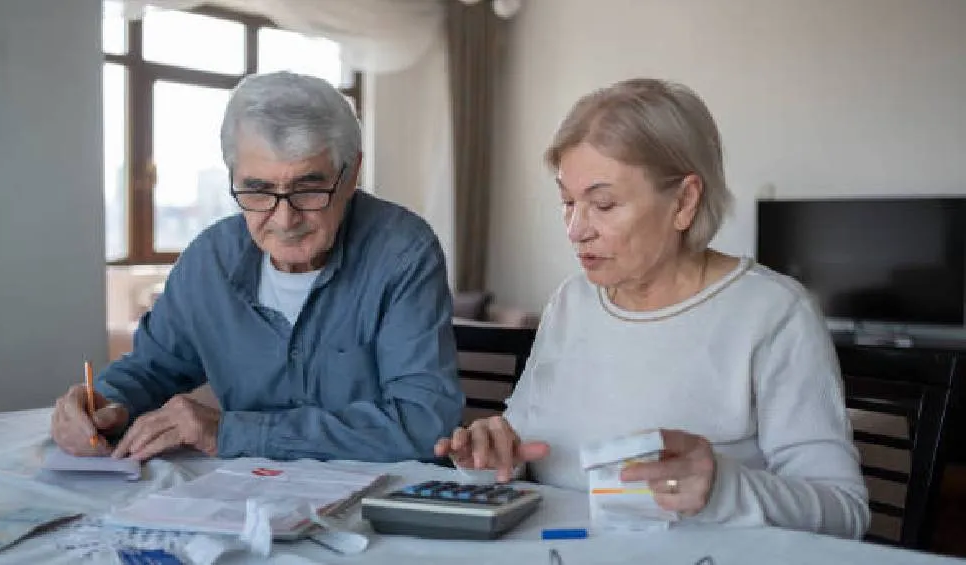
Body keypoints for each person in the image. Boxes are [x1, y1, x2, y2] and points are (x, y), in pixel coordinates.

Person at [434, 78, 869, 539]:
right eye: (567, 202)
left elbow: (845, 512)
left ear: (683, 202)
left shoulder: (772, 313)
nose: (576, 229)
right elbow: (523, 447)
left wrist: (723, 488)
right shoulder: (572, 301)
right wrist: (492, 454)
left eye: (603, 204)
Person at [52, 72, 463, 463]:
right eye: (258, 189)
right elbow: (151, 368)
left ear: (351, 173)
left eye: (309, 188)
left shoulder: (402, 251)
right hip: (244, 502)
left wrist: (235, 432)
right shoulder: (209, 259)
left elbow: (423, 423)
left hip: (376, 509)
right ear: (233, 176)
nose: (284, 220)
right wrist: (103, 405)